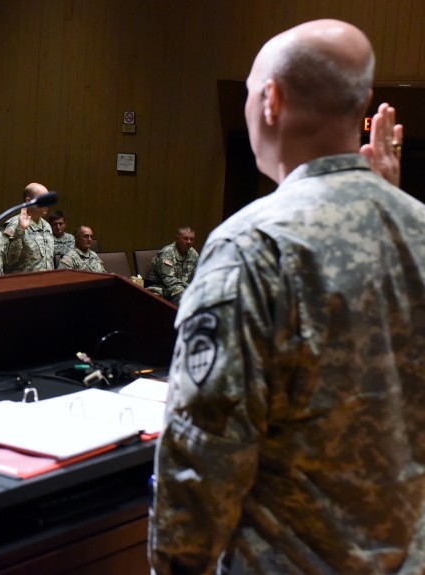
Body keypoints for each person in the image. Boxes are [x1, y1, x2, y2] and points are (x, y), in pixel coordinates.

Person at [149, 19, 423, 575]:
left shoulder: (252, 245)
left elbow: (203, 455)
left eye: (252, 92)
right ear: (360, 104)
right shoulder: (417, 226)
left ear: (270, 99)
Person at [3, 183, 54, 274]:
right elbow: (8, 260)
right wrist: (20, 230)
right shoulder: (14, 224)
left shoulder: (47, 226)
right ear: (28, 201)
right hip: (23, 284)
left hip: (46, 283)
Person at [144, 226, 198, 304]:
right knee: (180, 292)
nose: (189, 242)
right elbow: (169, 281)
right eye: (185, 238)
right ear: (177, 238)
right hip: (161, 288)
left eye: (191, 239)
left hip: (182, 287)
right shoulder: (166, 253)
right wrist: (188, 287)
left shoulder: (193, 253)